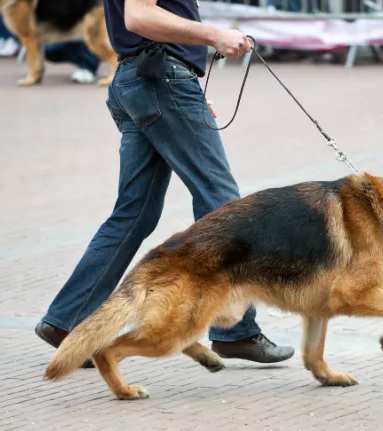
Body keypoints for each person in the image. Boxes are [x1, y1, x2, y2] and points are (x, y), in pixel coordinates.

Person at [36, 0, 295, 367]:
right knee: (222, 204)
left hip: (144, 79)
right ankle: (235, 331)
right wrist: (215, 35)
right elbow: (139, 16)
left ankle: (67, 320)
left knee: (134, 214)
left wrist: (186, 82)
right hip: (158, 78)